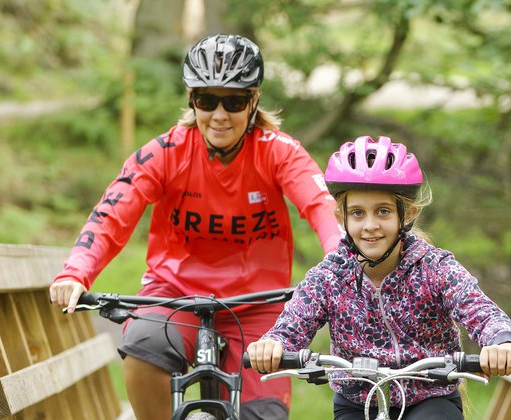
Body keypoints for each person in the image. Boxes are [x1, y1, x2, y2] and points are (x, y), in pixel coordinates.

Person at [49, 34, 342, 420]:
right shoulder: (166, 152)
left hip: (255, 305)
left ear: (253, 102)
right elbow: (111, 214)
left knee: (265, 414)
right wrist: (76, 272)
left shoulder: (278, 150)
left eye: (234, 101)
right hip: (175, 295)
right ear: (192, 101)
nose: (219, 114)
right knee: (142, 348)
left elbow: (321, 206)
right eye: (207, 100)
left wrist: (343, 260)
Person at [246, 135, 511, 419]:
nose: (370, 226)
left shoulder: (435, 268)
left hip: (429, 398)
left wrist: (500, 343)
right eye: (357, 213)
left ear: (407, 215)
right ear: (341, 218)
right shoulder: (329, 276)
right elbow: (292, 324)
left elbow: (481, 310)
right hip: (357, 402)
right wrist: (273, 345)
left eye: (383, 211)